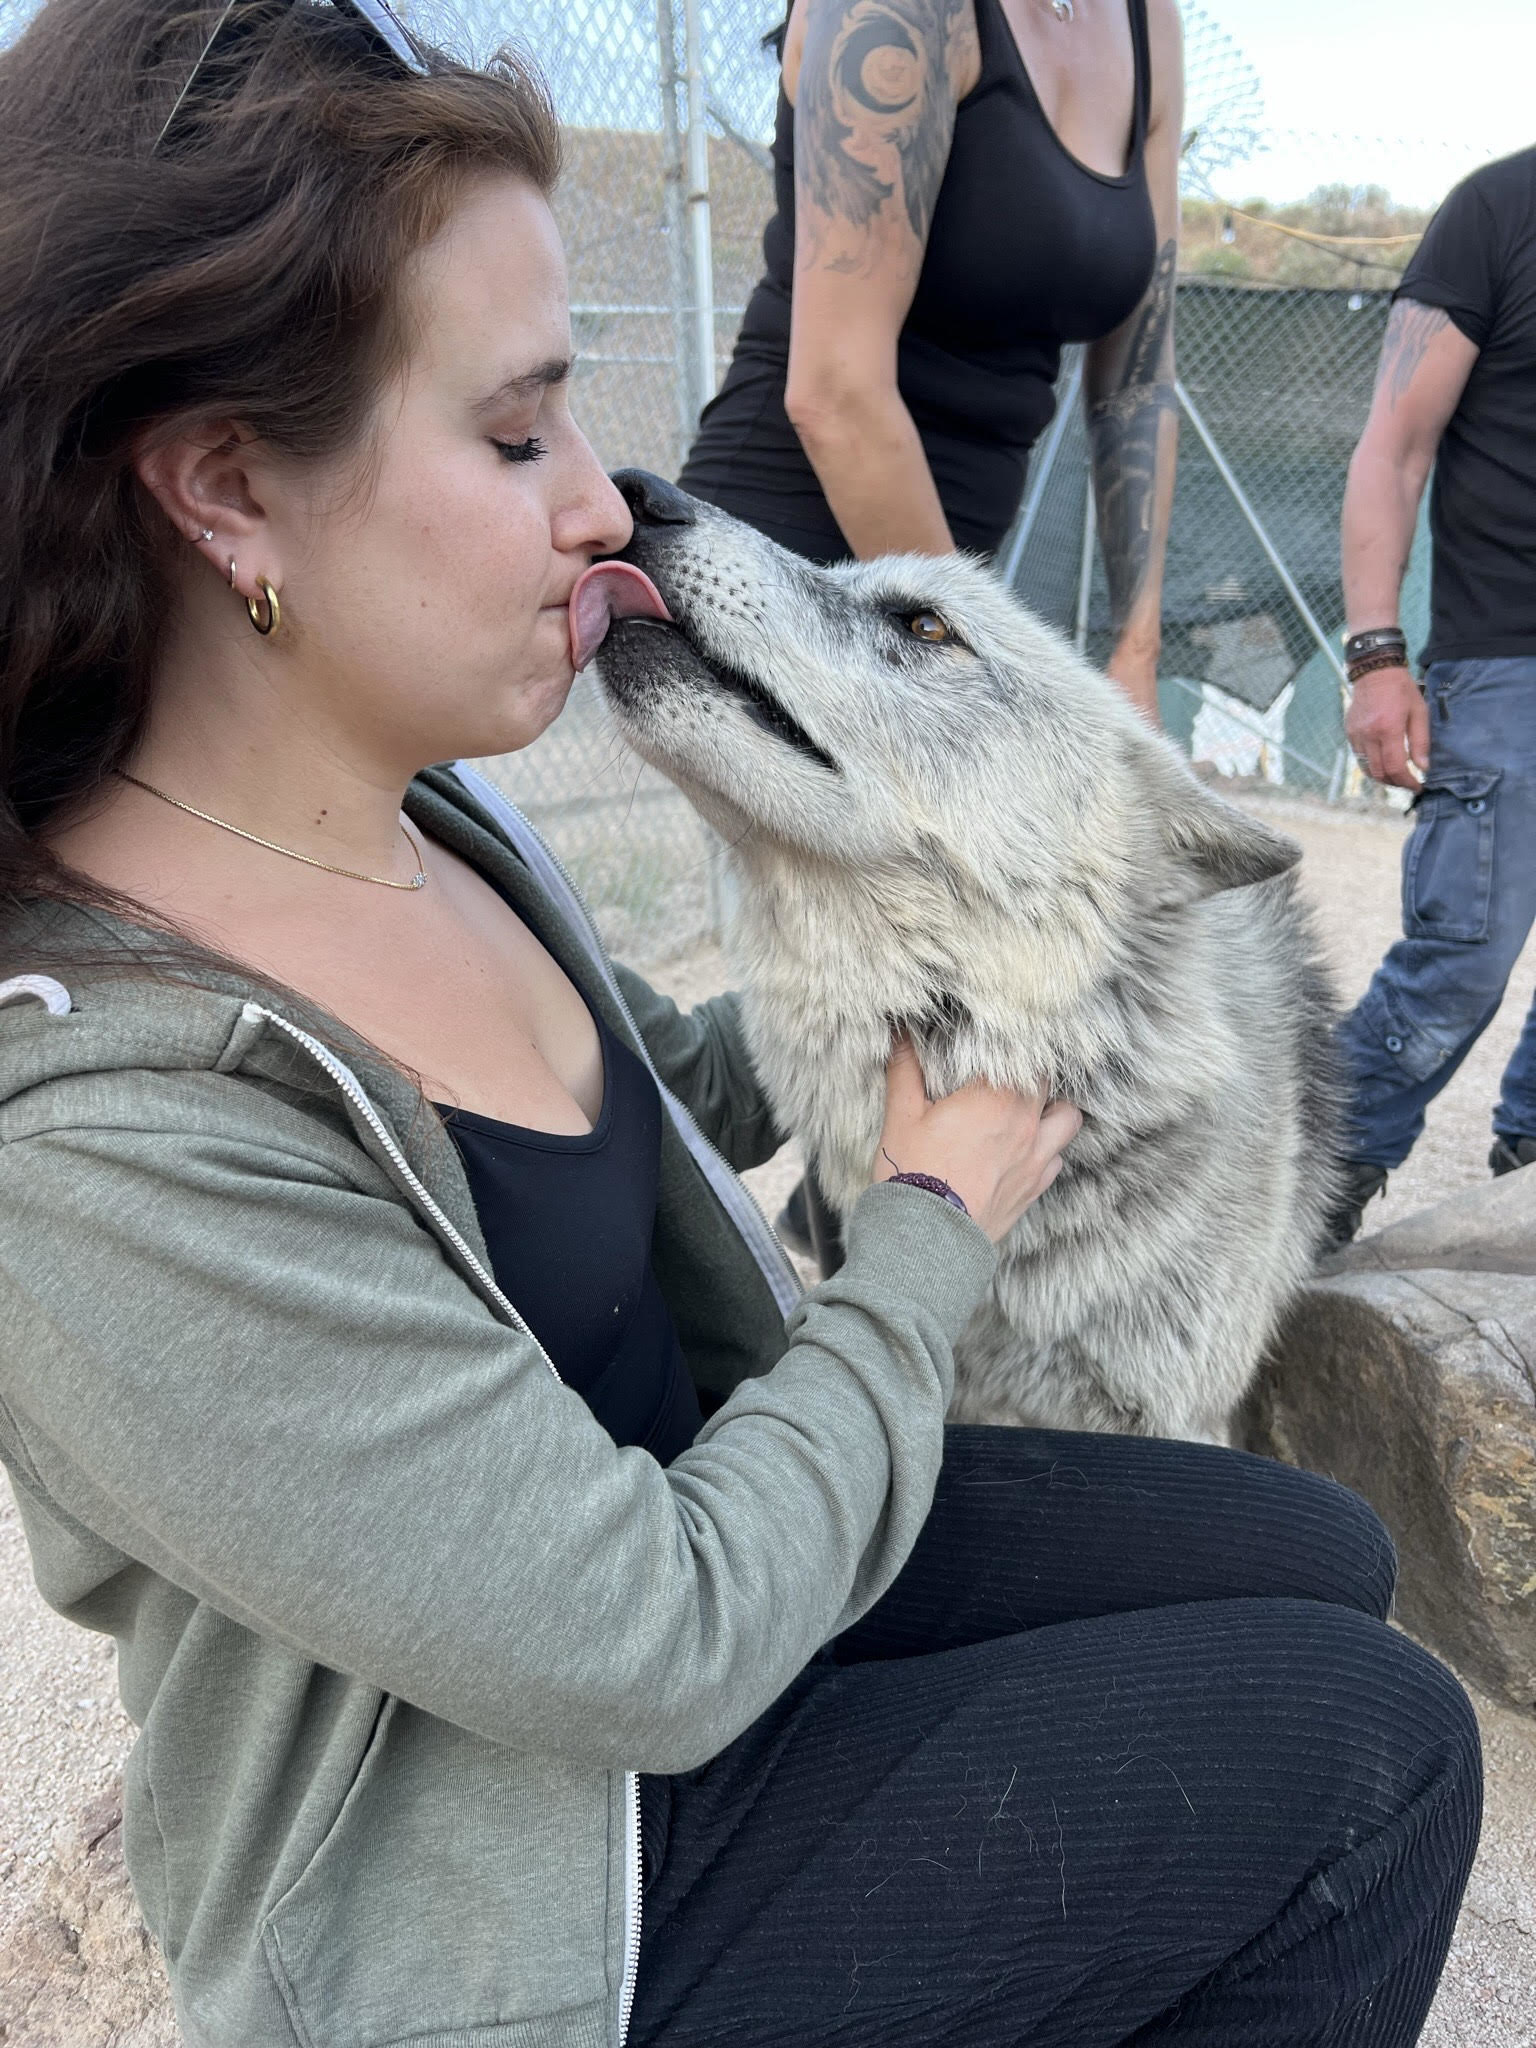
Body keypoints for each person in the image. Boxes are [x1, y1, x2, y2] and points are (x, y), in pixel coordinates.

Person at [0, 5, 1479, 2046]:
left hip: (693, 1562)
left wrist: (927, 988)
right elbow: (651, 1636)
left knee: (1321, 1549)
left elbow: (608, 1096)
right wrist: (931, 1224)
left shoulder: (413, 814)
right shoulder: (89, 1124)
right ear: (231, 493)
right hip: (517, 1889)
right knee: (1372, 1755)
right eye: (517, 440)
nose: (610, 506)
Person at [680, 0, 1185, 1271]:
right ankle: (814, 1286)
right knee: (869, 962)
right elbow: (834, 389)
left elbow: (1138, 376)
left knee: (959, 959)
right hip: (796, 551)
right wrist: (969, 669)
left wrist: (1131, 655)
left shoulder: (1148, 20)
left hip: (943, 592)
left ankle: (848, 1242)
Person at [1328, 144, 1536, 1245]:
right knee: (1458, 963)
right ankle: (1301, 1194)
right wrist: (1376, 657)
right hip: (1508, 663)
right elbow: (1395, 449)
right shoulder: (1498, 210)